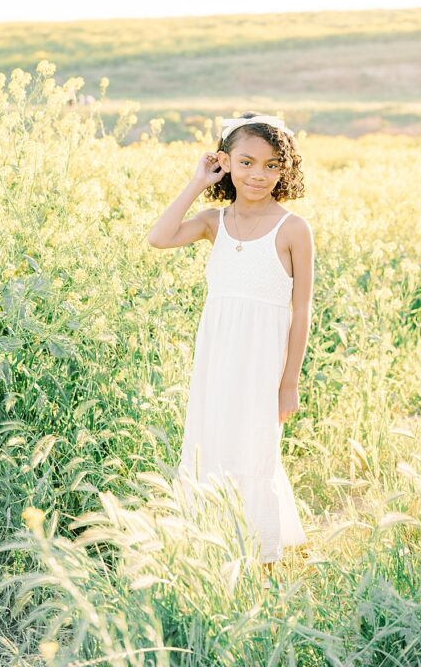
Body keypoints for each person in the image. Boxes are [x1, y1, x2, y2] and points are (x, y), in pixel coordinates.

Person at [147, 111, 312, 578]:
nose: (259, 175)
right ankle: (208, 545)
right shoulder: (212, 223)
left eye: (272, 165)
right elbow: (158, 238)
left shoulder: (293, 229)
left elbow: (301, 310)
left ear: (285, 169)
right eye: (246, 162)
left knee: (256, 449)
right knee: (211, 444)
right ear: (225, 163)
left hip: (264, 364)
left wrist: (289, 382)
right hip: (217, 359)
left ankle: (262, 557)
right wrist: (197, 182)